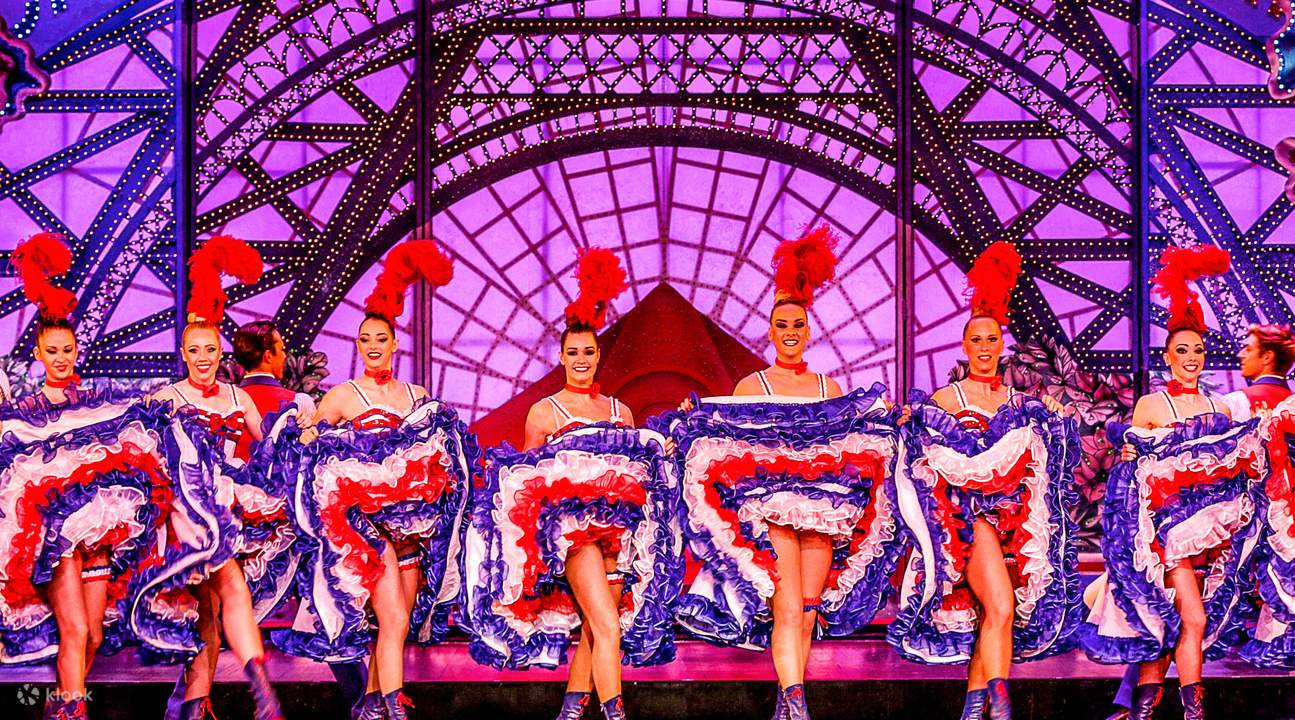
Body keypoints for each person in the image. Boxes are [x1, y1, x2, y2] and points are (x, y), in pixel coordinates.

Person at [889, 241, 1071, 720]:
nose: (986, 348)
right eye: (978, 340)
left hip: (1015, 527)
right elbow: (920, 453)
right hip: (969, 523)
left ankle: (975, 710)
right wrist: (907, 420)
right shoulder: (946, 399)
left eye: (993, 340)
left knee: (993, 616)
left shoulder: (1017, 401)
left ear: (1000, 345)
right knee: (1002, 607)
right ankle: (1002, 707)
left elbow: (1049, 446)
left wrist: (1053, 412)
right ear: (965, 346)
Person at [284, 240, 463, 720]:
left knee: (395, 628)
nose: (374, 346)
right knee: (394, 617)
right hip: (368, 528)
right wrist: (302, 425)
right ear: (359, 346)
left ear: (394, 343)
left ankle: (370, 706)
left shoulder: (417, 395)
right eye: (366, 339)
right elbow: (311, 445)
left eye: (381, 338)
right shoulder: (344, 395)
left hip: (413, 531)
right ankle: (393, 707)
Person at [0, 233, 169, 720]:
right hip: (54, 541)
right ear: (38, 353)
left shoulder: (97, 406)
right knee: (74, 630)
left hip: (97, 542)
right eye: (52, 350)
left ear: (77, 351)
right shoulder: (23, 413)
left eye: (68, 349)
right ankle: (74, 712)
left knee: (93, 634)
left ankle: (61, 705)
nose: (61, 358)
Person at [1085, 245, 1239, 720]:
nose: (1191, 358)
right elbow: (1130, 473)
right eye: (1182, 351)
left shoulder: (1218, 409)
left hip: (1206, 536)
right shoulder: (1152, 406)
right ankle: (1189, 712)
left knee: (1171, 624)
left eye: (1198, 350)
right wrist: (1128, 453)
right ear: (1168, 356)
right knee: (1190, 617)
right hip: (1161, 536)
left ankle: (1143, 709)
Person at [144, 236, 283, 720]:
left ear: (221, 352)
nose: (203, 357)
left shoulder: (238, 397)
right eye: (194, 350)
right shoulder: (166, 399)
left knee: (215, 606)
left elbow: (269, 445)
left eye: (210, 349)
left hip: (227, 505)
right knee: (221, 595)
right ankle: (255, 694)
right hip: (186, 514)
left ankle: (202, 702)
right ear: (183, 354)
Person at [1220, 323, 1295, 421]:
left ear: (1267, 357)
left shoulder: (1235, 402)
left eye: (1248, 349)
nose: (1240, 355)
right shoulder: (1292, 404)